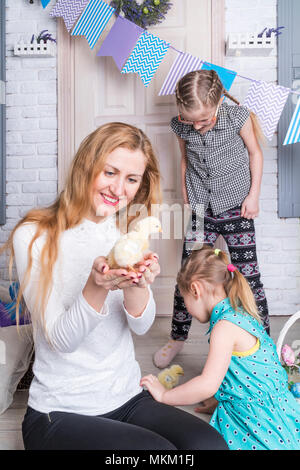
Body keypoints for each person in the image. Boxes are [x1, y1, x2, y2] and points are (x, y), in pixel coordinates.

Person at [1, 122, 227, 450]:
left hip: (126, 398)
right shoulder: (35, 236)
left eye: (131, 179)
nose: (119, 189)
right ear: (86, 165)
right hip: (60, 412)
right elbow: (60, 340)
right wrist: (98, 286)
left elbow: (141, 324)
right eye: (110, 172)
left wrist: (136, 284)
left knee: (210, 446)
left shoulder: (122, 238)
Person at [154, 69, 270, 375]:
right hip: (198, 208)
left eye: (203, 119)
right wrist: (186, 198)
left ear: (218, 102)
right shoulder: (182, 126)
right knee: (187, 274)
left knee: (249, 276)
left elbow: (255, 154)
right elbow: (184, 160)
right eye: (190, 119)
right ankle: (177, 337)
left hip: (236, 205)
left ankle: (264, 339)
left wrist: (254, 195)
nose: (197, 126)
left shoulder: (238, 118)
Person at [141, 246, 300, 450]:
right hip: (280, 409)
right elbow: (248, 376)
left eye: (185, 299)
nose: (187, 309)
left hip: (259, 420)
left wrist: (165, 396)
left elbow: (207, 384)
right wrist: (221, 399)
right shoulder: (240, 313)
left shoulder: (224, 327)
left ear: (195, 290)